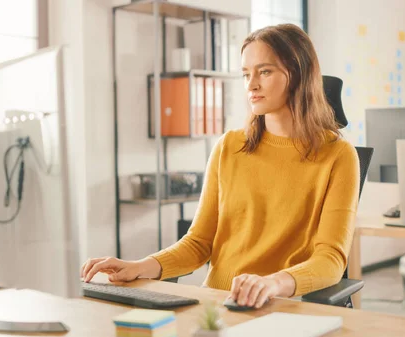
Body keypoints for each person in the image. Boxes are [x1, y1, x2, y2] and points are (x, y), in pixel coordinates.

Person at [81, 24, 360, 309]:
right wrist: (140, 266)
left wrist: (273, 282)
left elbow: (330, 260)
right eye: (245, 74)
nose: (252, 85)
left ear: (299, 75)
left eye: (264, 72)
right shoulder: (229, 146)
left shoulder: (338, 155)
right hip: (218, 303)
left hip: (281, 304)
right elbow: (199, 242)